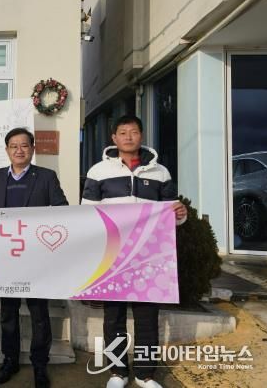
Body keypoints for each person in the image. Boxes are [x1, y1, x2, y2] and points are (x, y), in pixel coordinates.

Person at [81, 115, 187, 388]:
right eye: (123, 132)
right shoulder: (98, 171)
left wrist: (180, 214)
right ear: (114, 138)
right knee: (113, 317)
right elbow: (87, 213)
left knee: (147, 317)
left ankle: (145, 374)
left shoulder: (160, 172)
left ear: (141, 135)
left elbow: (171, 213)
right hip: (113, 256)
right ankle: (118, 372)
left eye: (134, 132)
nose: (128, 137)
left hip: (149, 255)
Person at [0, 127, 68, 388]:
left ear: (33, 149)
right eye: (14, 146)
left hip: (36, 257)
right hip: (6, 257)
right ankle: (10, 360)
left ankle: (39, 364)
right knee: (8, 313)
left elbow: (62, 210)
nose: (19, 150)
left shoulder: (46, 177)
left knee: (39, 313)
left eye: (24, 145)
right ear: (7, 150)